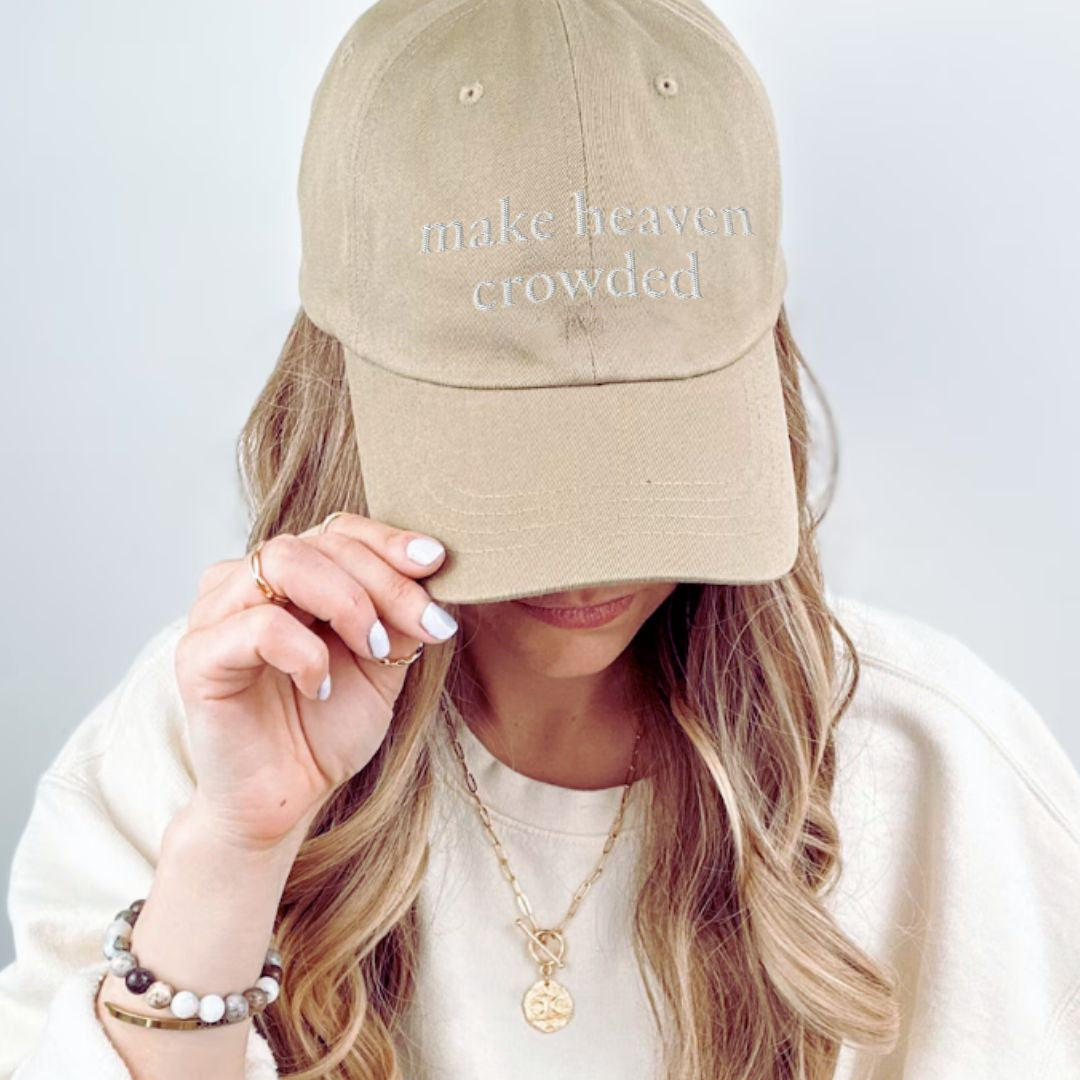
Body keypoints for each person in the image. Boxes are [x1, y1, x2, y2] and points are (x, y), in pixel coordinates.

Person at [3, 1, 1080, 1078]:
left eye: (657, 453)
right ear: (341, 398)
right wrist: (235, 852)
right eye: (511, 456)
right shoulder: (204, 737)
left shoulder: (942, 768)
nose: (592, 560)